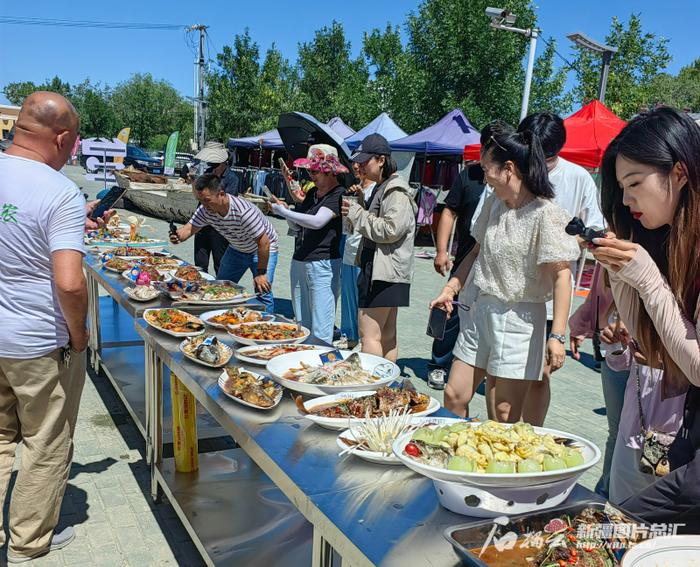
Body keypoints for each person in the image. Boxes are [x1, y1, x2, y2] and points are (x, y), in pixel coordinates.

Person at [589, 107, 700, 530]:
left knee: (623, 529)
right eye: (621, 188)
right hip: (676, 431)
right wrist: (622, 276)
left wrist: (649, 281)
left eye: (635, 184)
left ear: (680, 173)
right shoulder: (668, 238)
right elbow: (654, 346)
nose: (628, 200)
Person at [430, 126, 580, 421]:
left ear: (508, 169)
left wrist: (557, 335)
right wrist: (451, 289)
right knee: (454, 394)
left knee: (503, 411)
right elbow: (475, 251)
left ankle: (489, 464)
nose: (484, 176)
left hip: (520, 320)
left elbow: (563, 275)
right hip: (480, 309)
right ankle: (459, 452)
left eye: (487, 169)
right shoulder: (494, 203)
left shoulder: (544, 213)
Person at [0, 91, 87, 561]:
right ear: (61, 138)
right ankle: (28, 541)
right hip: (37, 344)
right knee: (45, 442)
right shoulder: (60, 191)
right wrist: (81, 334)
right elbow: (70, 284)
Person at [342, 134, 417, 362]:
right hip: (386, 271)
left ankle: (372, 388)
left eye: (365, 161)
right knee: (386, 336)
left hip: (382, 272)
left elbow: (391, 229)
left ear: (381, 160)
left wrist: (357, 213)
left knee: (370, 337)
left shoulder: (395, 190)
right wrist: (362, 204)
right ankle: (386, 387)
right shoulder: (383, 187)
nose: (359, 166)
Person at [270, 145, 347, 344]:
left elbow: (317, 221)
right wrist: (286, 210)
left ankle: (323, 365)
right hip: (301, 260)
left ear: (329, 171)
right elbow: (298, 224)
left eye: (314, 171)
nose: (310, 175)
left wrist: (284, 212)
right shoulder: (313, 193)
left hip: (323, 264)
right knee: (302, 324)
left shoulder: (338, 194)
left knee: (321, 325)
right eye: (309, 170)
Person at [170, 174, 278, 313]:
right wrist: (177, 235)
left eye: (207, 200)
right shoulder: (205, 210)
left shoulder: (244, 212)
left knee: (263, 291)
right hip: (237, 248)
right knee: (219, 286)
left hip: (261, 249)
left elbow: (264, 243)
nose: (204, 205)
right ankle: (221, 317)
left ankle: (266, 324)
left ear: (221, 194)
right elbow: (190, 228)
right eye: (200, 200)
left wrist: (261, 272)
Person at [568, 263, 631, 498]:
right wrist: (582, 323)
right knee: (618, 431)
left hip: (657, 356)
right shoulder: (613, 238)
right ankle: (604, 496)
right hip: (615, 349)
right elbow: (598, 292)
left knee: (645, 436)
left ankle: (628, 501)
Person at [428, 162, 486, 389]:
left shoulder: (515, 178)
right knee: (450, 313)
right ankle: (439, 365)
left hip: (493, 268)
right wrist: (441, 251)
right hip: (465, 259)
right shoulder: (470, 175)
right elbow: (450, 211)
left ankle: (478, 370)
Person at [340, 162, 376, 348]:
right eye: (354, 163)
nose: (356, 166)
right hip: (349, 247)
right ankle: (349, 336)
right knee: (348, 297)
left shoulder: (377, 190)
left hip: (364, 252)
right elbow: (348, 224)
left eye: (361, 163)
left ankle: (365, 339)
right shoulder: (352, 190)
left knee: (362, 300)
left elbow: (374, 223)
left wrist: (362, 199)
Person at [190, 141, 239, 274]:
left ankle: (220, 292)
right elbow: (199, 197)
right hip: (203, 224)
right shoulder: (207, 173)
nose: (213, 167)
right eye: (211, 164)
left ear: (223, 162)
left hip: (220, 227)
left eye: (215, 164)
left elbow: (227, 203)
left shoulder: (232, 178)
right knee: (200, 264)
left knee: (220, 264)